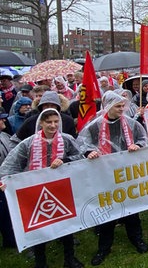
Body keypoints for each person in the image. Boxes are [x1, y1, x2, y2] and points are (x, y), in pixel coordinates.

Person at [0, 109, 84, 268]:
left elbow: (80, 157)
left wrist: (64, 160)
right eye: (48, 122)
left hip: (61, 188)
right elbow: (10, 165)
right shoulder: (29, 143)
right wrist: (8, 182)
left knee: (66, 222)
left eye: (55, 121)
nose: (53, 125)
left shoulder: (66, 140)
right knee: (39, 227)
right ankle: (40, 262)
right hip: (36, 190)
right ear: (41, 123)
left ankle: (70, 258)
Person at [78, 91, 148, 266]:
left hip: (126, 173)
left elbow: (143, 138)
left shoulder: (131, 123)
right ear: (108, 106)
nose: (122, 109)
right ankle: (104, 247)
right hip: (104, 174)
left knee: (131, 208)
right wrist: (89, 152)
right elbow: (82, 143)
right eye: (118, 106)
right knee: (107, 211)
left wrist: (137, 145)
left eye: (123, 105)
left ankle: (137, 238)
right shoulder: (94, 126)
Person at [0, 109, 17, 249]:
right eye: (1, 119)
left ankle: (11, 240)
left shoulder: (5, 135)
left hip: (6, 182)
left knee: (8, 213)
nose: (4, 120)